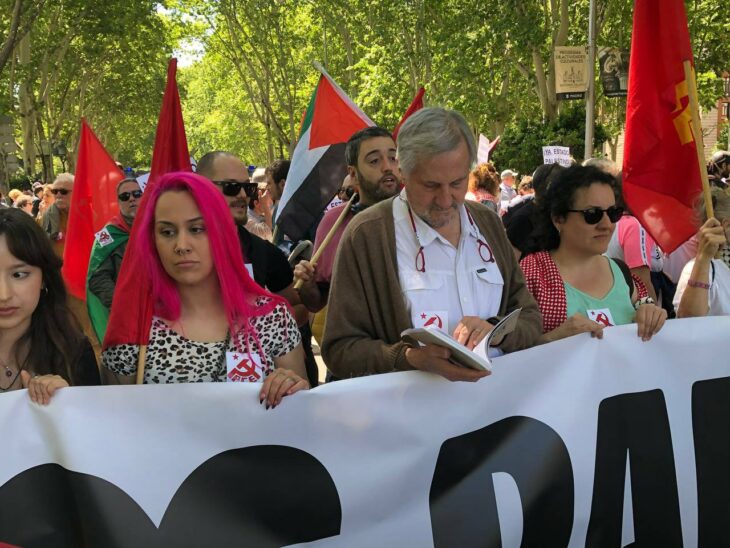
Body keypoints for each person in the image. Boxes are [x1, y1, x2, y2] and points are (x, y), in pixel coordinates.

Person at [322, 108, 542, 381]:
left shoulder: (488, 222)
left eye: (457, 183)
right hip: (413, 419)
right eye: (431, 185)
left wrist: (495, 332)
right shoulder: (367, 234)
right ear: (403, 170)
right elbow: (340, 349)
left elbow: (530, 317)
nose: (446, 200)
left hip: (497, 414)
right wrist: (408, 358)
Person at [102, 172, 308, 407]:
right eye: (167, 232)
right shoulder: (134, 328)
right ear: (152, 240)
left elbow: (303, 419)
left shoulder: (274, 318)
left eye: (197, 229)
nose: (181, 246)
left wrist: (294, 388)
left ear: (222, 233)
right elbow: (113, 423)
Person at [196, 152, 319, 386]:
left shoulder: (263, 252)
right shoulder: (172, 255)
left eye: (248, 188)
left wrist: (266, 323)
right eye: (232, 187)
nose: (243, 195)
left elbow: (300, 305)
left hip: (249, 384)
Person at [519, 165, 667, 343]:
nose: (607, 225)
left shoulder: (622, 272)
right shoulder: (532, 274)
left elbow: (646, 307)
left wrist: (651, 315)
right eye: (592, 214)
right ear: (558, 219)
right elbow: (507, 353)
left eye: (613, 213)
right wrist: (553, 340)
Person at [294, 126, 400, 314]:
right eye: (375, 161)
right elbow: (316, 303)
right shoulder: (334, 222)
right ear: (352, 173)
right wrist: (307, 285)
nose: (387, 167)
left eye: (393, 157)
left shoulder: (416, 217)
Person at [0, 209, 99, 404]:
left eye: (19, 274)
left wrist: (69, 403)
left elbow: (96, 428)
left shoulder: (74, 350)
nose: (4, 295)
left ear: (44, 277)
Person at [86, 178, 142, 343]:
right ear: (118, 202)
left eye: (137, 194)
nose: (131, 199)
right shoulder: (107, 235)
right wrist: (123, 306)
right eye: (125, 196)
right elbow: (97, 278)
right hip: (128, 319)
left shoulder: (160, 228)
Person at [674, 188, 730, 317]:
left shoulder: (721, 265)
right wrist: (703, 258)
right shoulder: (697, 269)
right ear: (726, 224)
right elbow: (689, 321)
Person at [40, 173, 74, 256]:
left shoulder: (91, 215)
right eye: (55, 191)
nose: (58, 195)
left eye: (63, 192)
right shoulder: (47, 216)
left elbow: (102, 243)